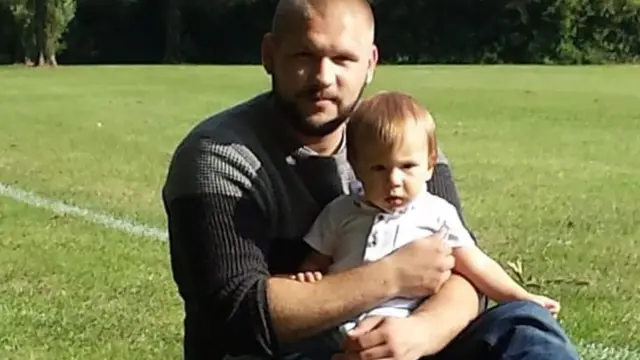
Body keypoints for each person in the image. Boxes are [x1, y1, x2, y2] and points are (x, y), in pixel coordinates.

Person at [161, 0, 581, 359]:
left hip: (409, 343)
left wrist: (420, 334)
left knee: (521, 327)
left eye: (343, 59)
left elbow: (462, 274)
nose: (324, 77)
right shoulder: (219, 156)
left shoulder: (401, 144)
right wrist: (391, 277)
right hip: (294, 351)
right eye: (304, 57)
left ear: (371, 63)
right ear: (270, 54)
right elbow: (234, 313)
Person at [289, 91, 560, 344]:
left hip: (409, 334)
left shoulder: (436, 214)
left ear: (430, 166)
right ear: (356, 167)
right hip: (341, 333)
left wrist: (521, 298)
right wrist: (306, 278)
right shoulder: (340, 213)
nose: (393, 181)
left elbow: (476, 265)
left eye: (407, 167)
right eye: (378, 168)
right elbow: (315, 261)